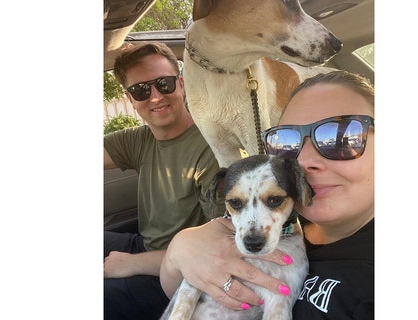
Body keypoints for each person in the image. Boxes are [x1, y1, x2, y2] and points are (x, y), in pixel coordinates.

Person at [160, 70, 375, 319]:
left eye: (339, 137)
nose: (304, 160)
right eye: (288, 144)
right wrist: (178, 252)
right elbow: (171, 289)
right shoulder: (279, 222)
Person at [103, 42, 225, 319]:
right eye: (141, 90)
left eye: (164, 84)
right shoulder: (139, 140)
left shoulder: (211, 150)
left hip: (182, 275)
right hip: (146, 246)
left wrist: (132, 264)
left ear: (181, 84)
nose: (155, 97)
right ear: (131, 99)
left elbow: (219, 248)